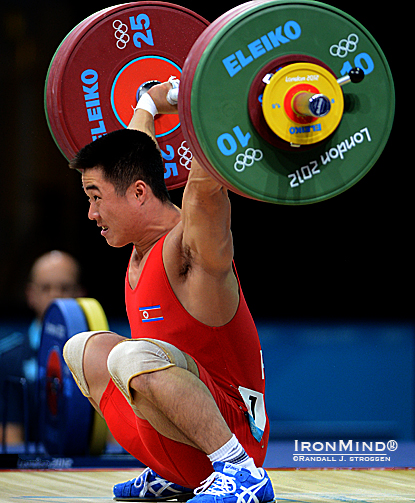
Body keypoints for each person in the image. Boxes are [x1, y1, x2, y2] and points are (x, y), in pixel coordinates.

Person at [63, 80, 275, 503]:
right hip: (181, 441)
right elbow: (137, 157)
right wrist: (149, 102)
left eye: (96, 198)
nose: (92, 213)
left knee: (130, 355)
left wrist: (209, 102)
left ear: (138, 194)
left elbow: (206, 188)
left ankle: (239, 473)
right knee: (83, 349)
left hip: (233, 430)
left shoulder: (192, 250)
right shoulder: (142, 235)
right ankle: (173, 473)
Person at [0, 251, 85, 444]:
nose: (55, 296)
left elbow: (113, 441)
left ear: (80, 294)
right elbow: (10, 443)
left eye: (65, 288)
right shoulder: (6, 359)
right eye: (46, 288)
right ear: (31, 295)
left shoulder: (100, 356)